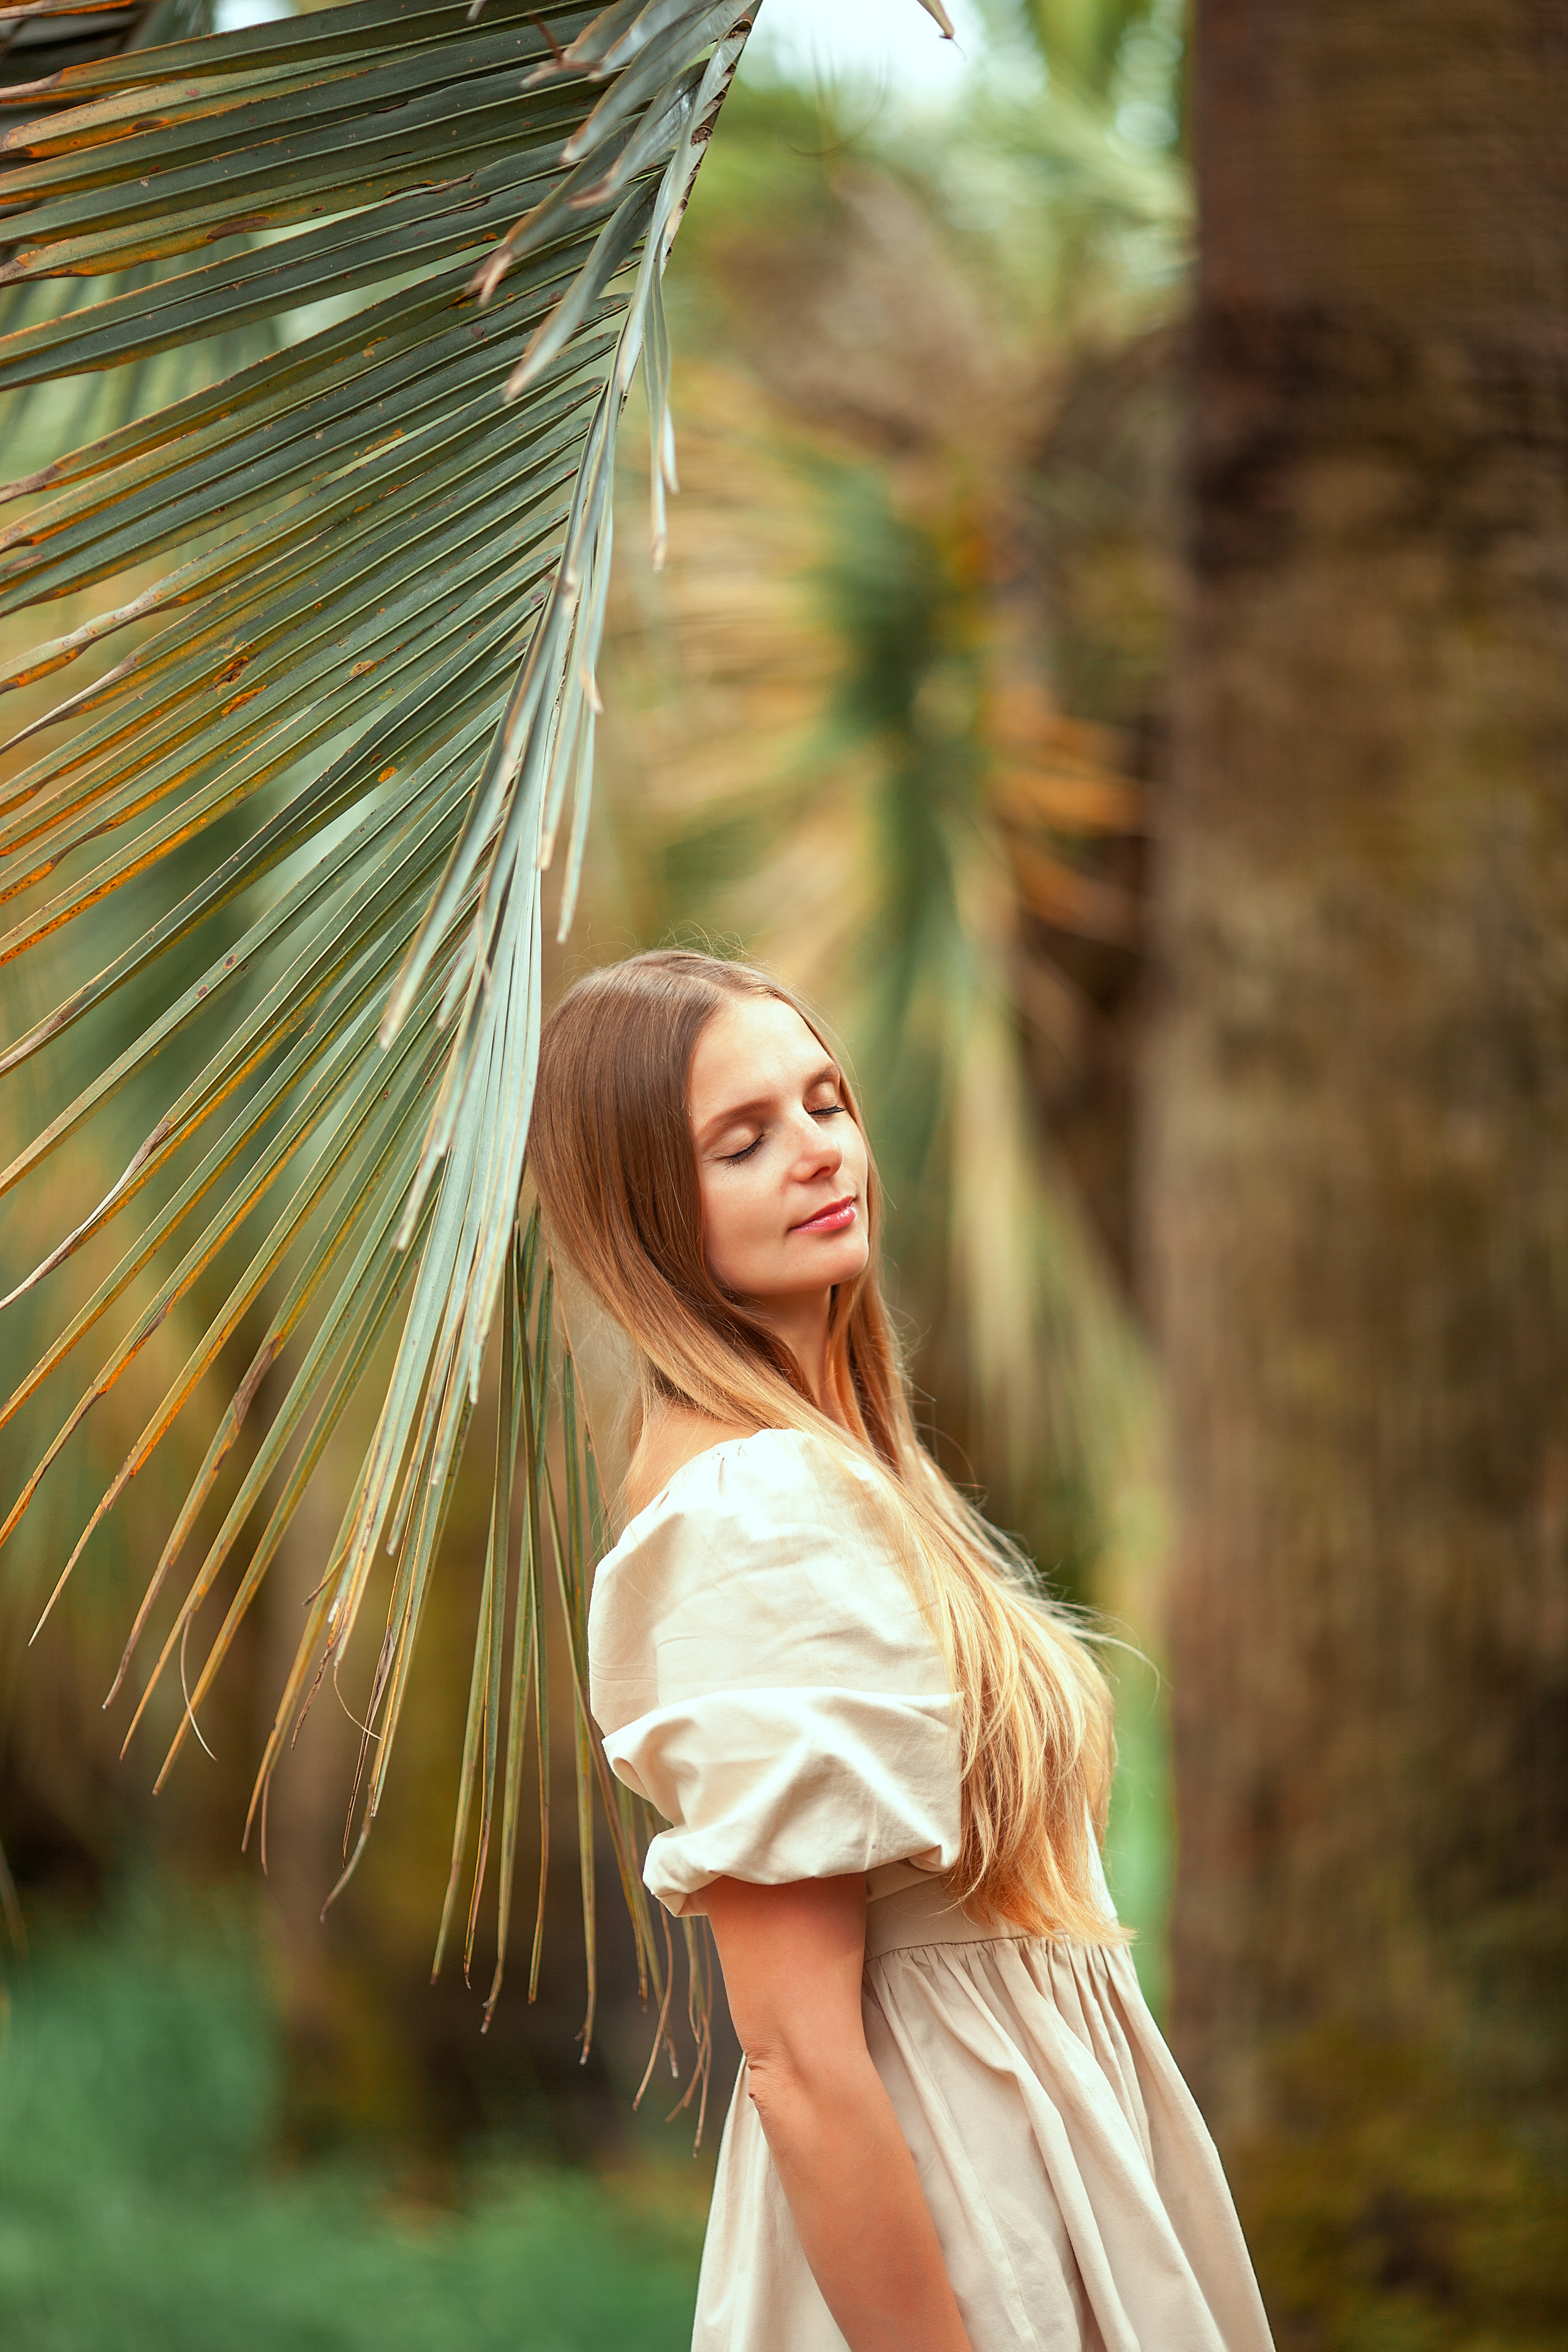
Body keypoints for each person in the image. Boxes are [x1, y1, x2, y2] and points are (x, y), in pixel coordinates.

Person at [529, 948, 1273, 2352]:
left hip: (1030, 2164)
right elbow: (798, 2057)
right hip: (956, 2210)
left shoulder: (827, 1474)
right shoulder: (753, 1513)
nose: (817, 1155)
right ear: (645, 1212)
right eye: (740, 1142)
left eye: (823, 1103)